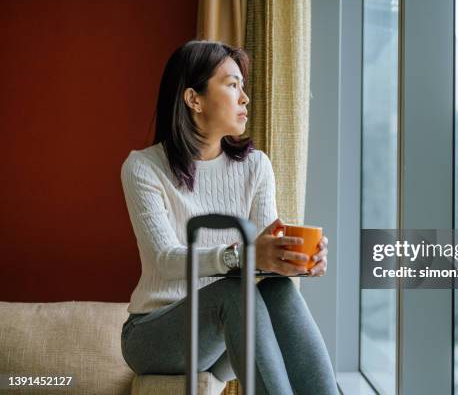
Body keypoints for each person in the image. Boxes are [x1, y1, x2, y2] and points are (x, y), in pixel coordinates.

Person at [119, 40, 339, 394]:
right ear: (194, 99)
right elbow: (164, 259)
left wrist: (293, 259)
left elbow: (264, 258)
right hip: (154, 334)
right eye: (232, 84)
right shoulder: (143, 168)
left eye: (243, 86)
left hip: (221, 336)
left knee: (278, 288)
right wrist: (240, 256)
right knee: (232, 293)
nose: (244, 97)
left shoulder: (255, 166)